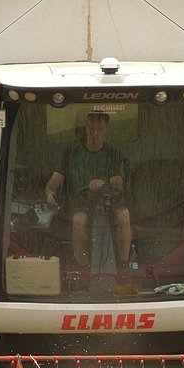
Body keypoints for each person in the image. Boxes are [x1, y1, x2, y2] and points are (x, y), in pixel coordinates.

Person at [45, 109, 132, 275]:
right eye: (91, 128)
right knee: (78, 220)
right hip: (80, 205)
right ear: (85, 128)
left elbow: (118, 183)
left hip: (109, 204)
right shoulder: (71, 154)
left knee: (124, 215)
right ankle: (83, 268)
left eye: (99, 129)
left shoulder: (113, 154)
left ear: (107, 130)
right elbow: (53, 183)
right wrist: (49, 193)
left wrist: (103, 183)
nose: (94, 133)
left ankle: (123, 265)